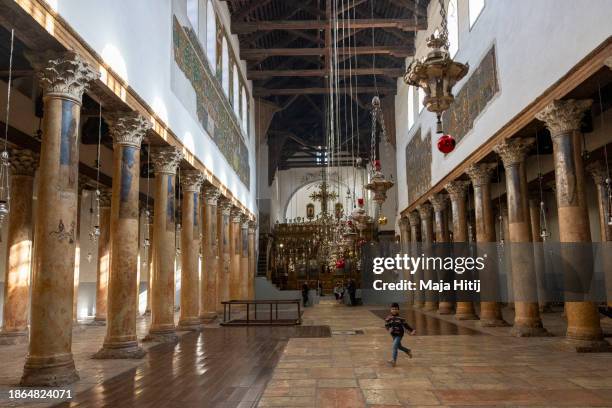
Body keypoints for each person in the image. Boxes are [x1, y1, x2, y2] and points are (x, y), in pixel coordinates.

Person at [384, 302, 416, 367]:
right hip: (393, 334)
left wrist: (412, 330)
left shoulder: (401, 318)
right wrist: (389, 328)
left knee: (394, 346)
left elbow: (406, 325)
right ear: (390, 310)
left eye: (396, 309)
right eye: (393, 309)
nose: (394, 310)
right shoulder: (388, 318)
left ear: (398, 310)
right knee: (399, 346)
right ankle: (408, 351)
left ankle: (394, 361)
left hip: (399, 334)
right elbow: (386, 325)